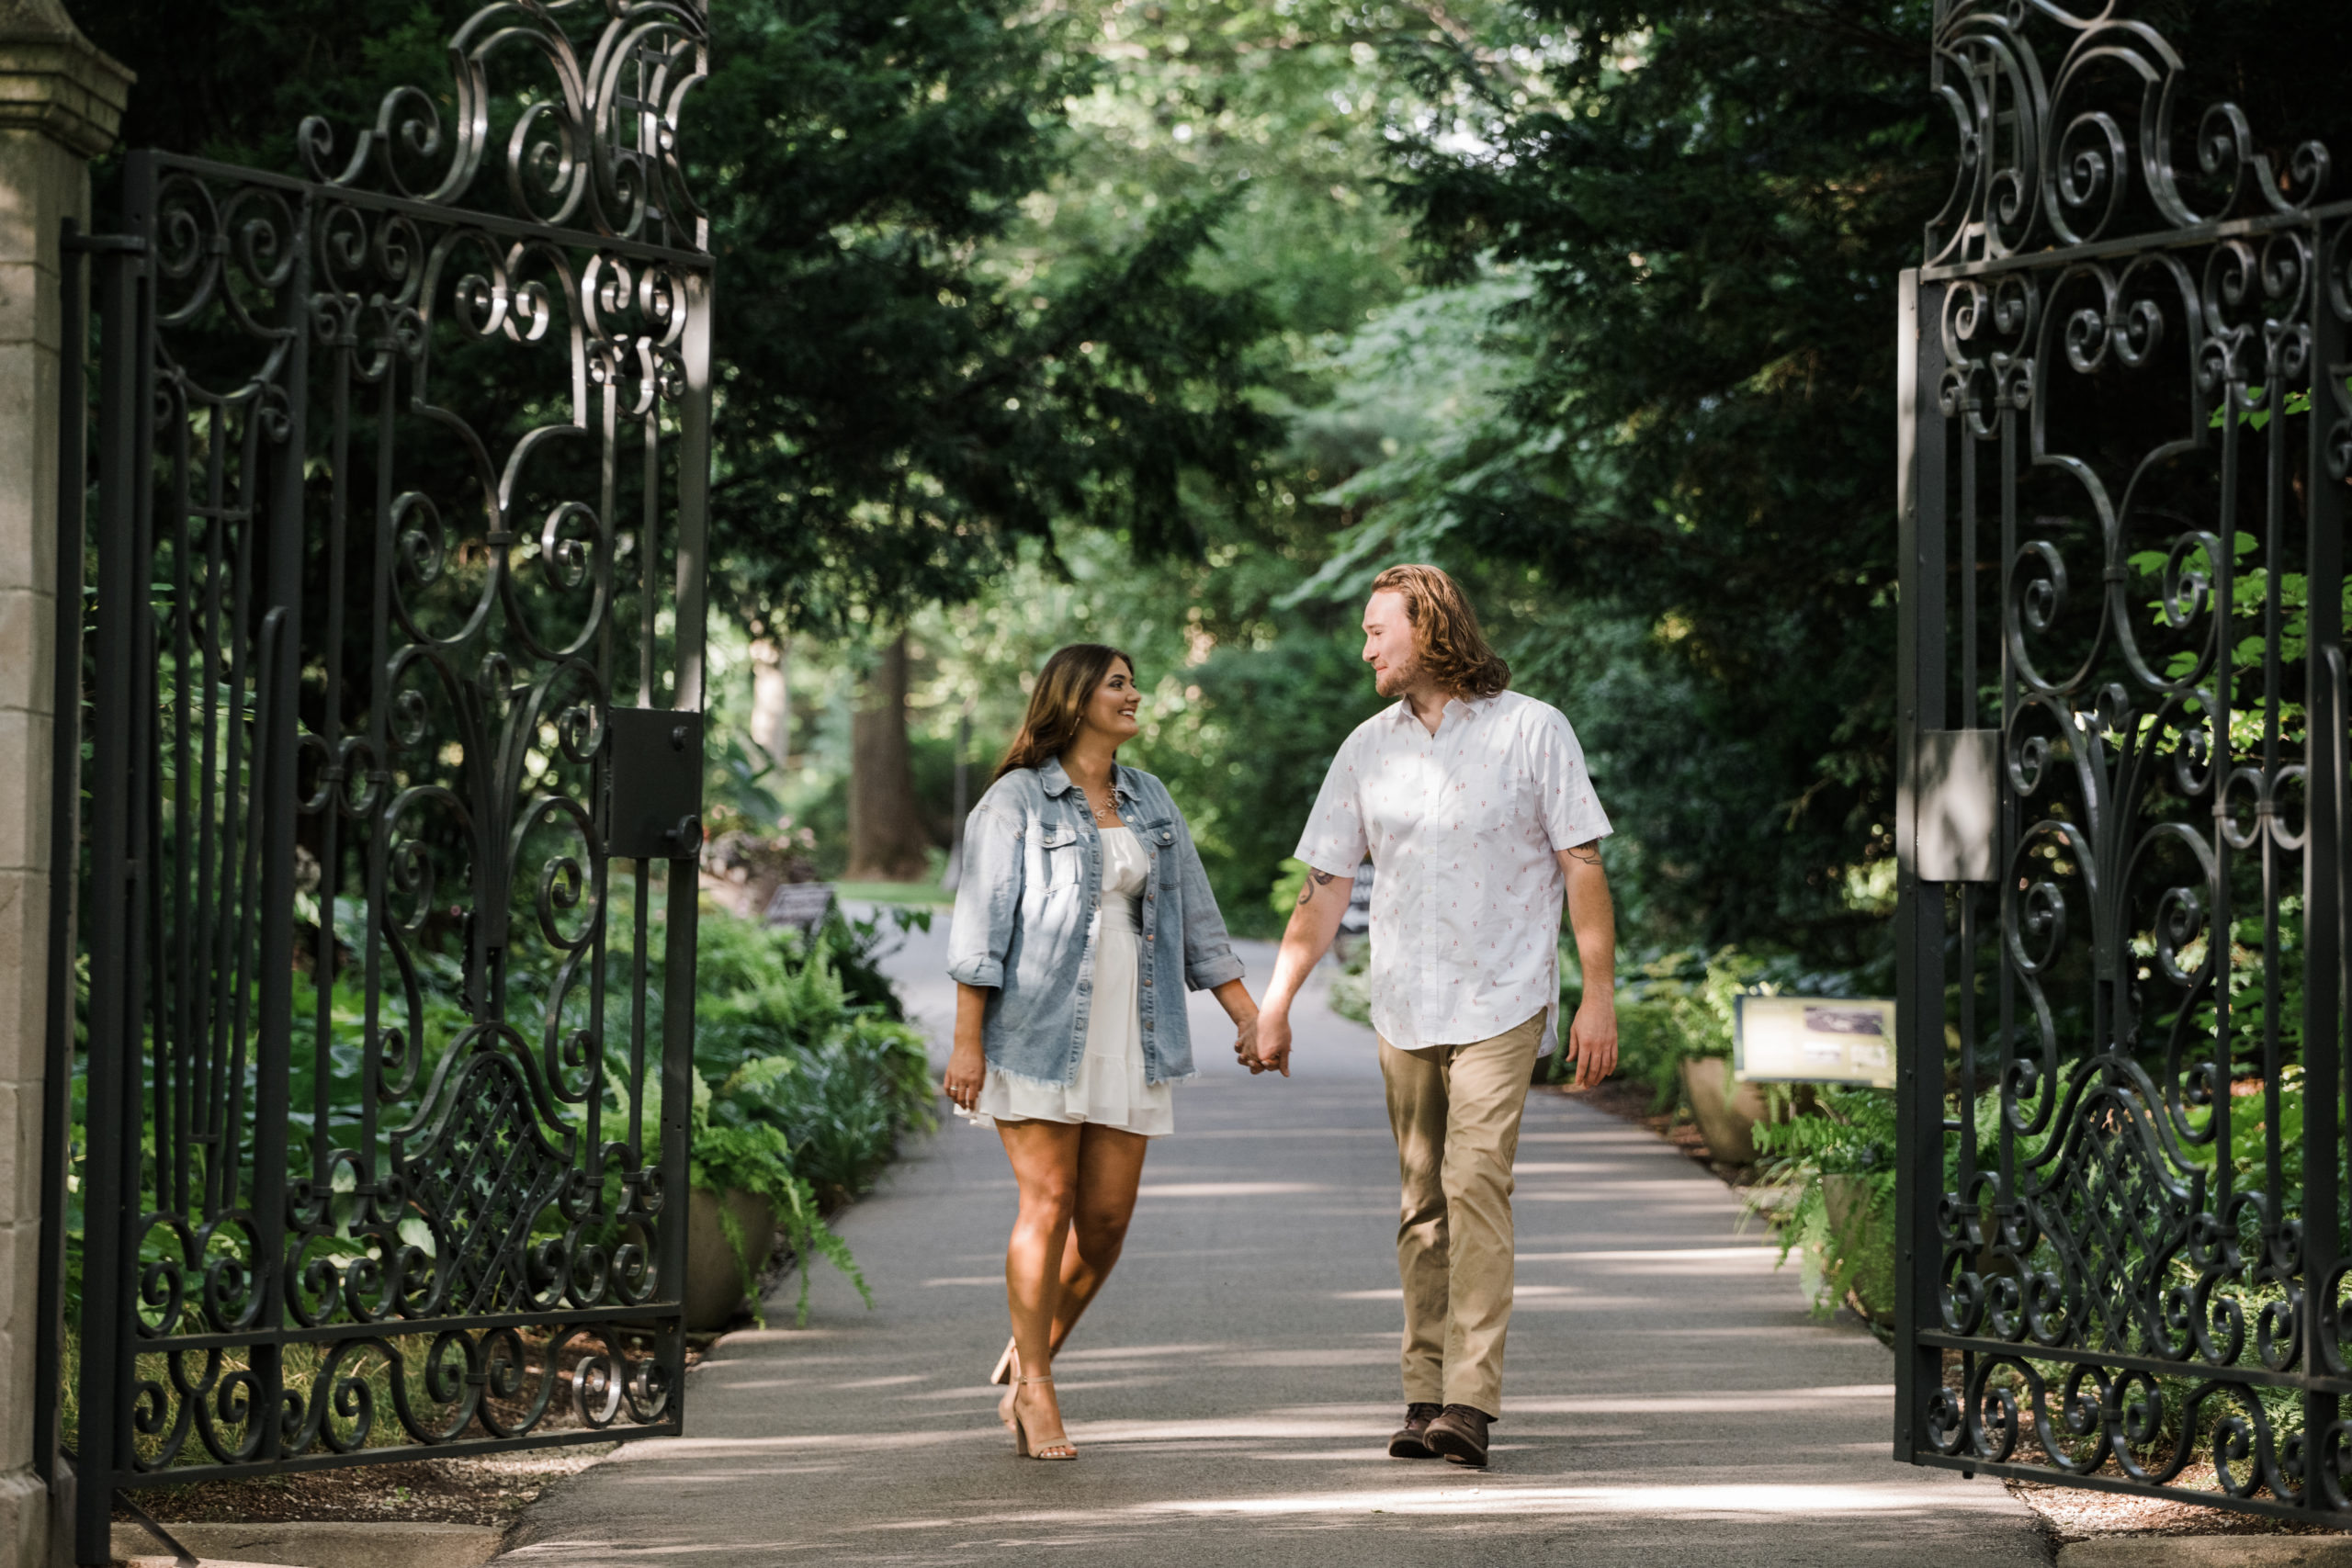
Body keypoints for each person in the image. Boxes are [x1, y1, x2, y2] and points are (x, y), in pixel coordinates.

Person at [1246, 563, 1617, 1470]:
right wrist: (1277, 1004)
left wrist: (1598, 994)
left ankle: (1469, 1400)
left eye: (1379, 631)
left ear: (1429, 627)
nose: (1365, 647)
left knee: (1474, 1182)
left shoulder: (1532, 729)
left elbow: (1582, 865)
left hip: (1504, 995)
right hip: (1405, 1003)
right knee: (1421, 1202)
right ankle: (1422, 1393)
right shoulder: (1367, 748)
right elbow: (1324, 889)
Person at [942, 643, 1260, 1461]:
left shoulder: (1149, 795)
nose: (1135, 695)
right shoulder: (1015, 800)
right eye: (1118, 684)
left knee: (1107, 1222)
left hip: (1133, 1025)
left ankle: (1026, 1354)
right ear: (1076, 696)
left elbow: (1198, 916)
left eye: (1131, 683)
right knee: (1046, 1202)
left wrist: (1249, 1016)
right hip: (1038, 1030)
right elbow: (981, 930)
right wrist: (967, 1043)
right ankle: (1039, 1389)